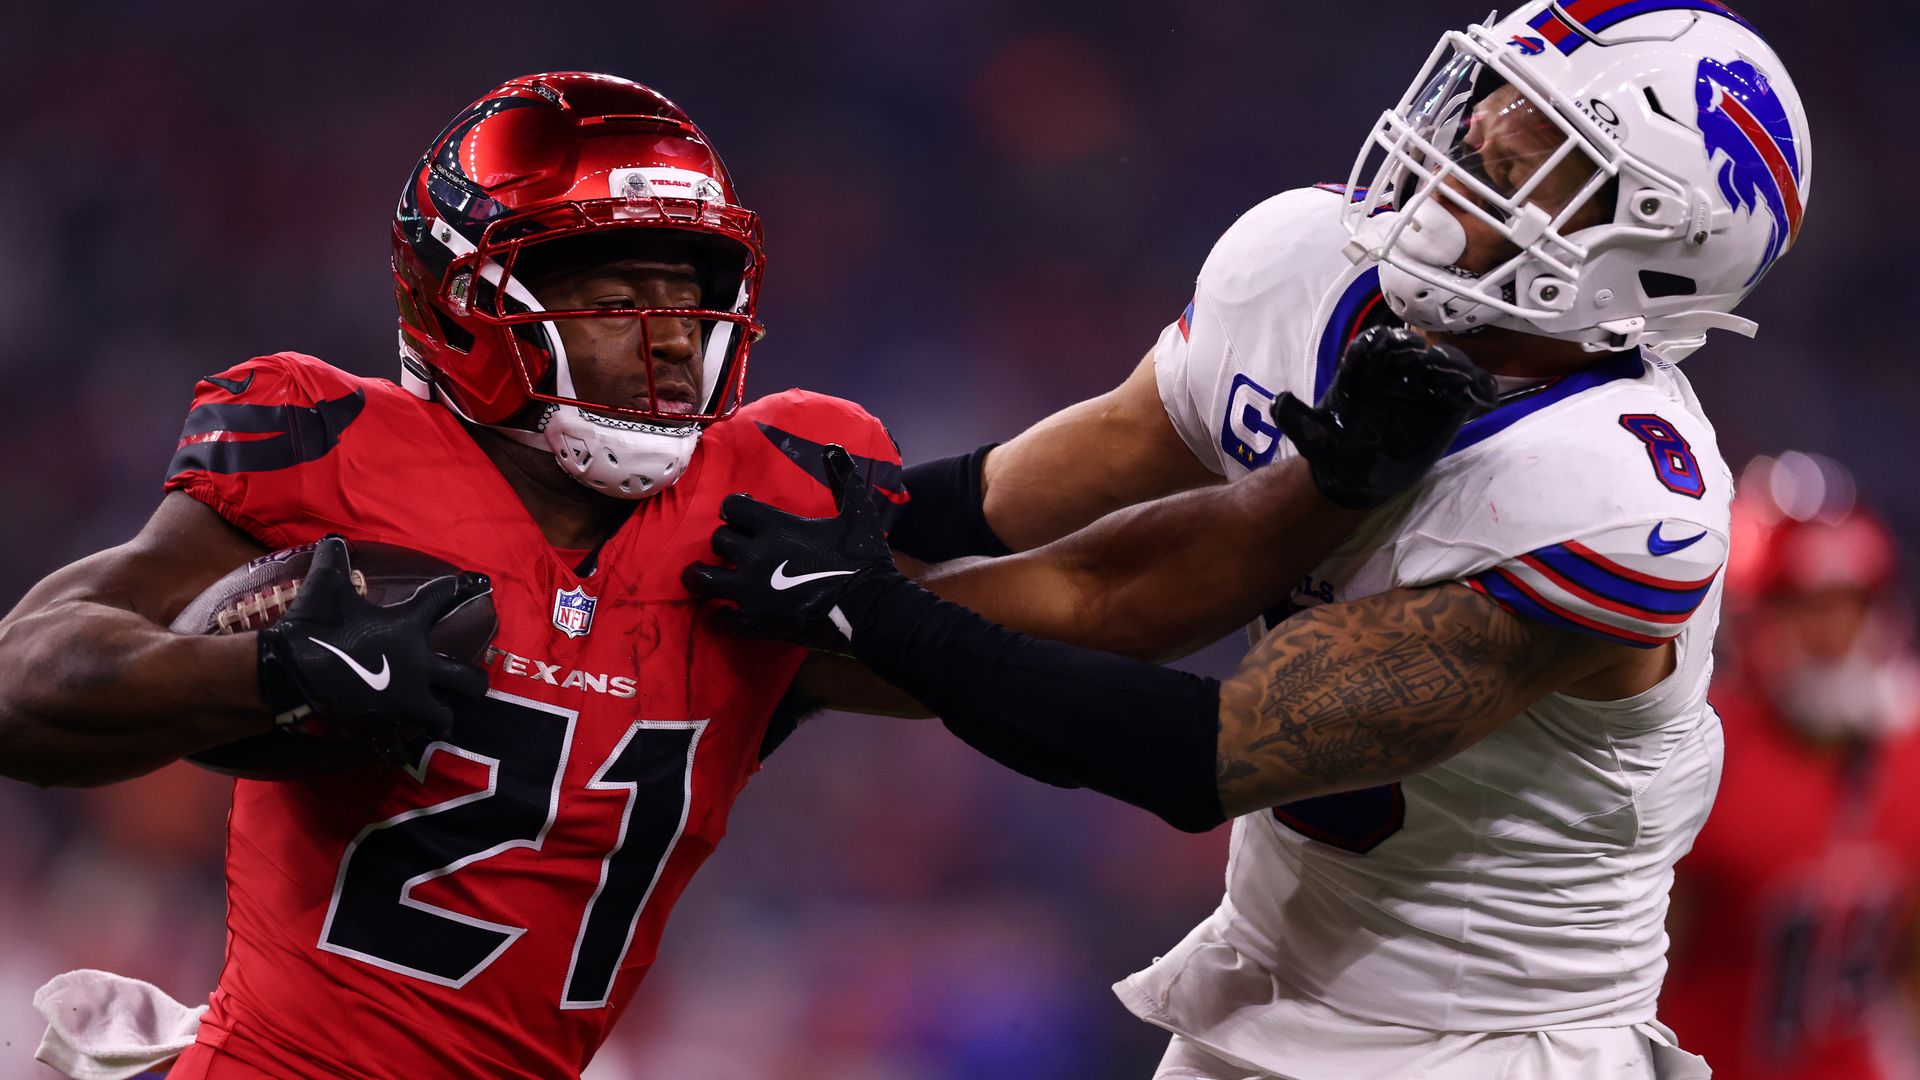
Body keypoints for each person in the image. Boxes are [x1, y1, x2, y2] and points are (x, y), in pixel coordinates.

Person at [687, 2, 1814, 1076]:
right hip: (1267, 986)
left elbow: (1209, 750)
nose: (1470, 137)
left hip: (1491, 1045)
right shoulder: (1311, 262)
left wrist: (869, 619)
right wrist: (824, 539)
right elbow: (1075, 544)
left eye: (1536, 150)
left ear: (1653, 252)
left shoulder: (1614, 496)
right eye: (1489, 100)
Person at [0, 72, 914, 1080]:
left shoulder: (760, 518)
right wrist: (271, 670)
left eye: (687, 291)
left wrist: (887, 603)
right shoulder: (335, 448)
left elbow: (1035, 613)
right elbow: (23, 681)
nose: (665, 333)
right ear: (468, 297)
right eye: (612, 292)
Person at [1660, 454, 1920, 1080]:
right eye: (1804, 607)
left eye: (1849, 605)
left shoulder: (1907, 755)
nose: (1831, 633)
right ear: (1754, 619)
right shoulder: (1700, 756)